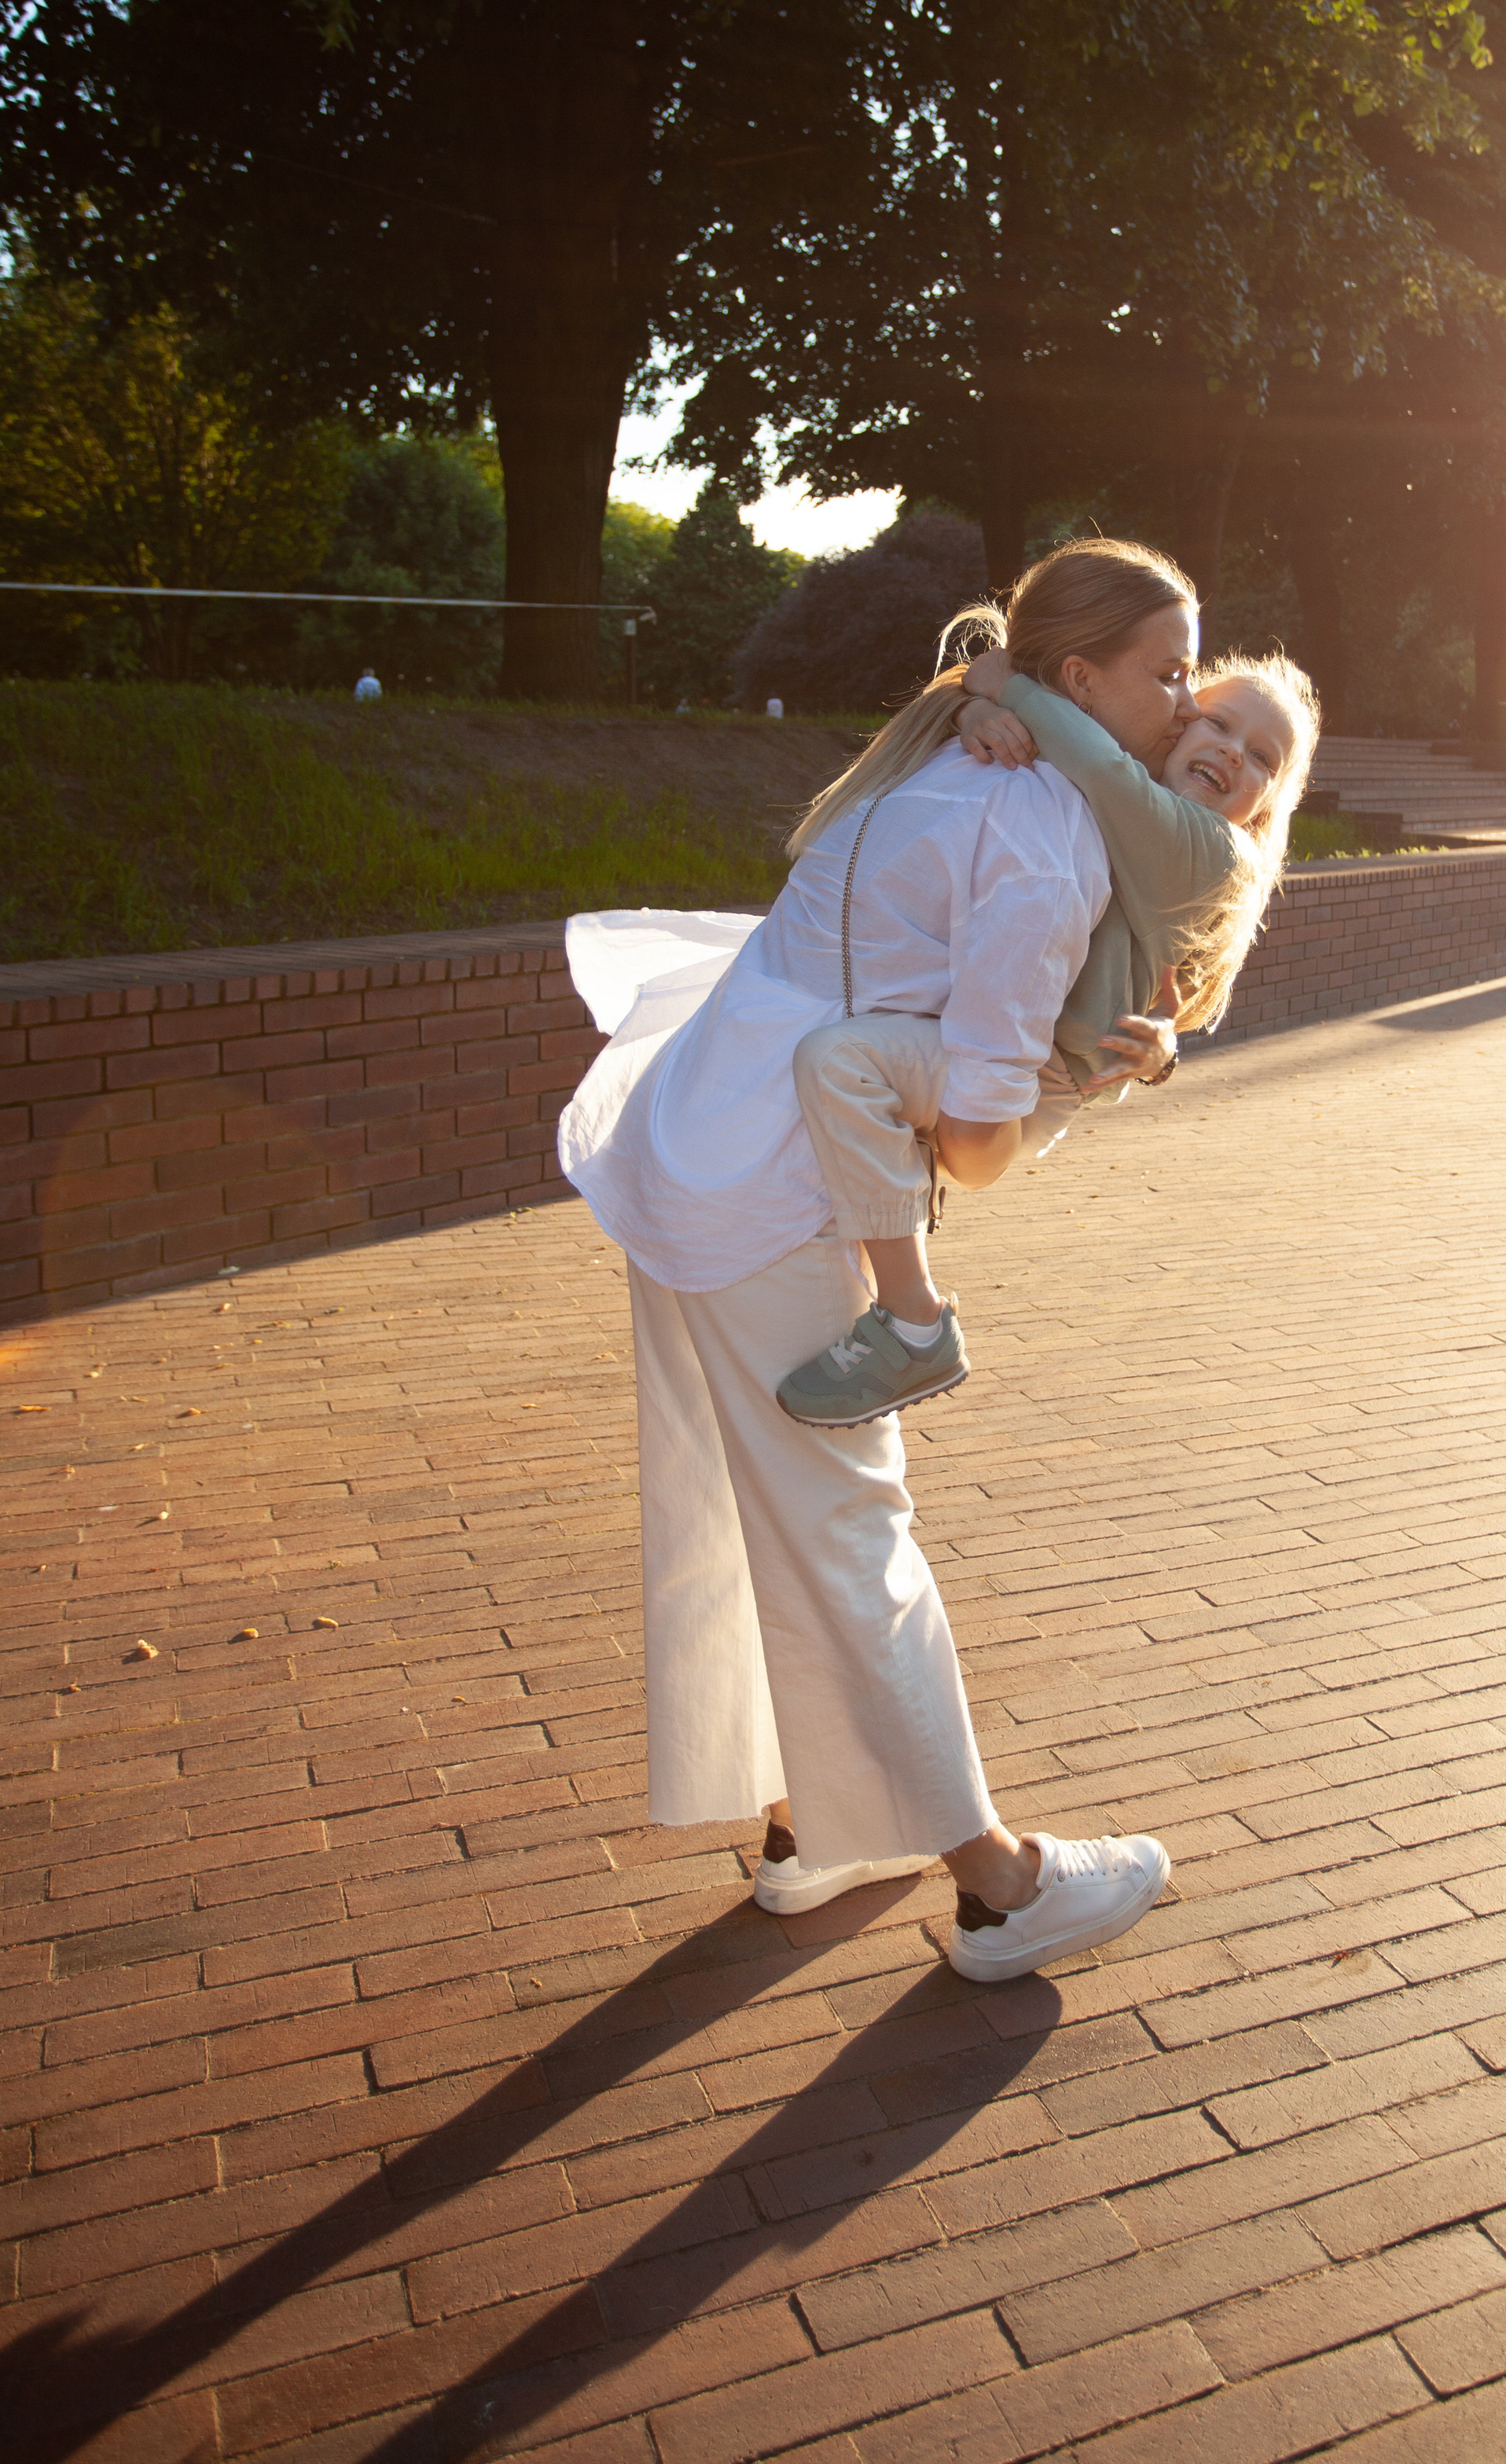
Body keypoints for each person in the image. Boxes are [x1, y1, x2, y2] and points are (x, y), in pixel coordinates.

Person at [556, 538, 1203, 1979]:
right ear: (1080, 677)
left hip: (691, 1132)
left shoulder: (952, 754)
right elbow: (974, 1143)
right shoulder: (1046, 838)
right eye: (1166, 671)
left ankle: (818, 1827)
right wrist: (1083, 1080)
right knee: (851, 1528)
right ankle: (1001, 1886)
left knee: (766, 1507)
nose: (1188, 697)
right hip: (771, 1188)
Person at [775, 643, 1318, 1427]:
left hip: (1040, 1084)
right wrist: (975, 710)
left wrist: (1010, 687)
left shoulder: (1208, 848)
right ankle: (885, 1270)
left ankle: (913, 1322)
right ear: (1175, 727)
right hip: (1002, 1052)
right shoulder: (1118, 805)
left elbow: (1101, 768)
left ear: (1263, 805)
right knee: (853, 1080)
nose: (1233, 753)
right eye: (1218, 723)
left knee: (841, 1062)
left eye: (1262, 757)